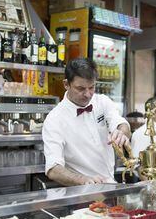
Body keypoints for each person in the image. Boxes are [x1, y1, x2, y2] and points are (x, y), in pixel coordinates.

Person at [42, 58, 130, 186]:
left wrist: (122, 133)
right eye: (81, 88)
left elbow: (122, 124)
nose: (88, 94)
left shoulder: (102, 101)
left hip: (111, 184)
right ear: (66, 84)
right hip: (82, 191)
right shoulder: (55, 119)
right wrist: (83, 180)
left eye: (92, 87)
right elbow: (53, 169)